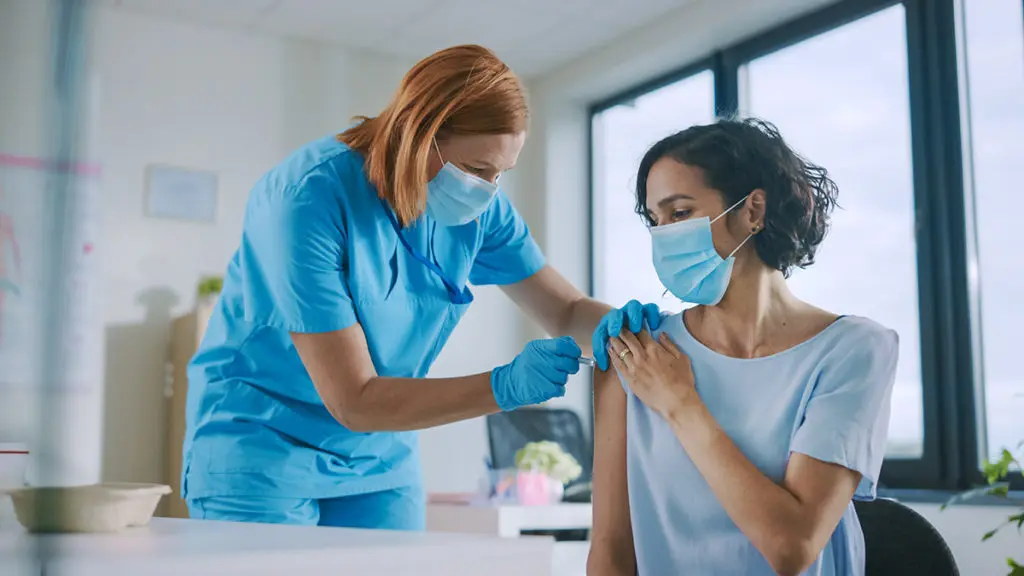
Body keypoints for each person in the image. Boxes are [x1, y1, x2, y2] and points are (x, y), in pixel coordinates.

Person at [182, 44, 660, 531]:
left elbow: (566, 309)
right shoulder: (306, 199)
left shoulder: (481, 210)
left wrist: (654, 334)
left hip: (381, 453)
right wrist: (504, 386)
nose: (489, 188)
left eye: (501, 172)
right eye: (477, 169)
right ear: (419, 133)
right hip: (264, 446)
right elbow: (354, 399)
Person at [587, 118, 899, 576]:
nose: (663, 235)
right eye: (654, 220)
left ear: (752, 210)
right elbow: (612, 551)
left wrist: (681, 405)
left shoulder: (853, 351)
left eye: (679, 213)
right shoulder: (636, 355)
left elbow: (792, 546)